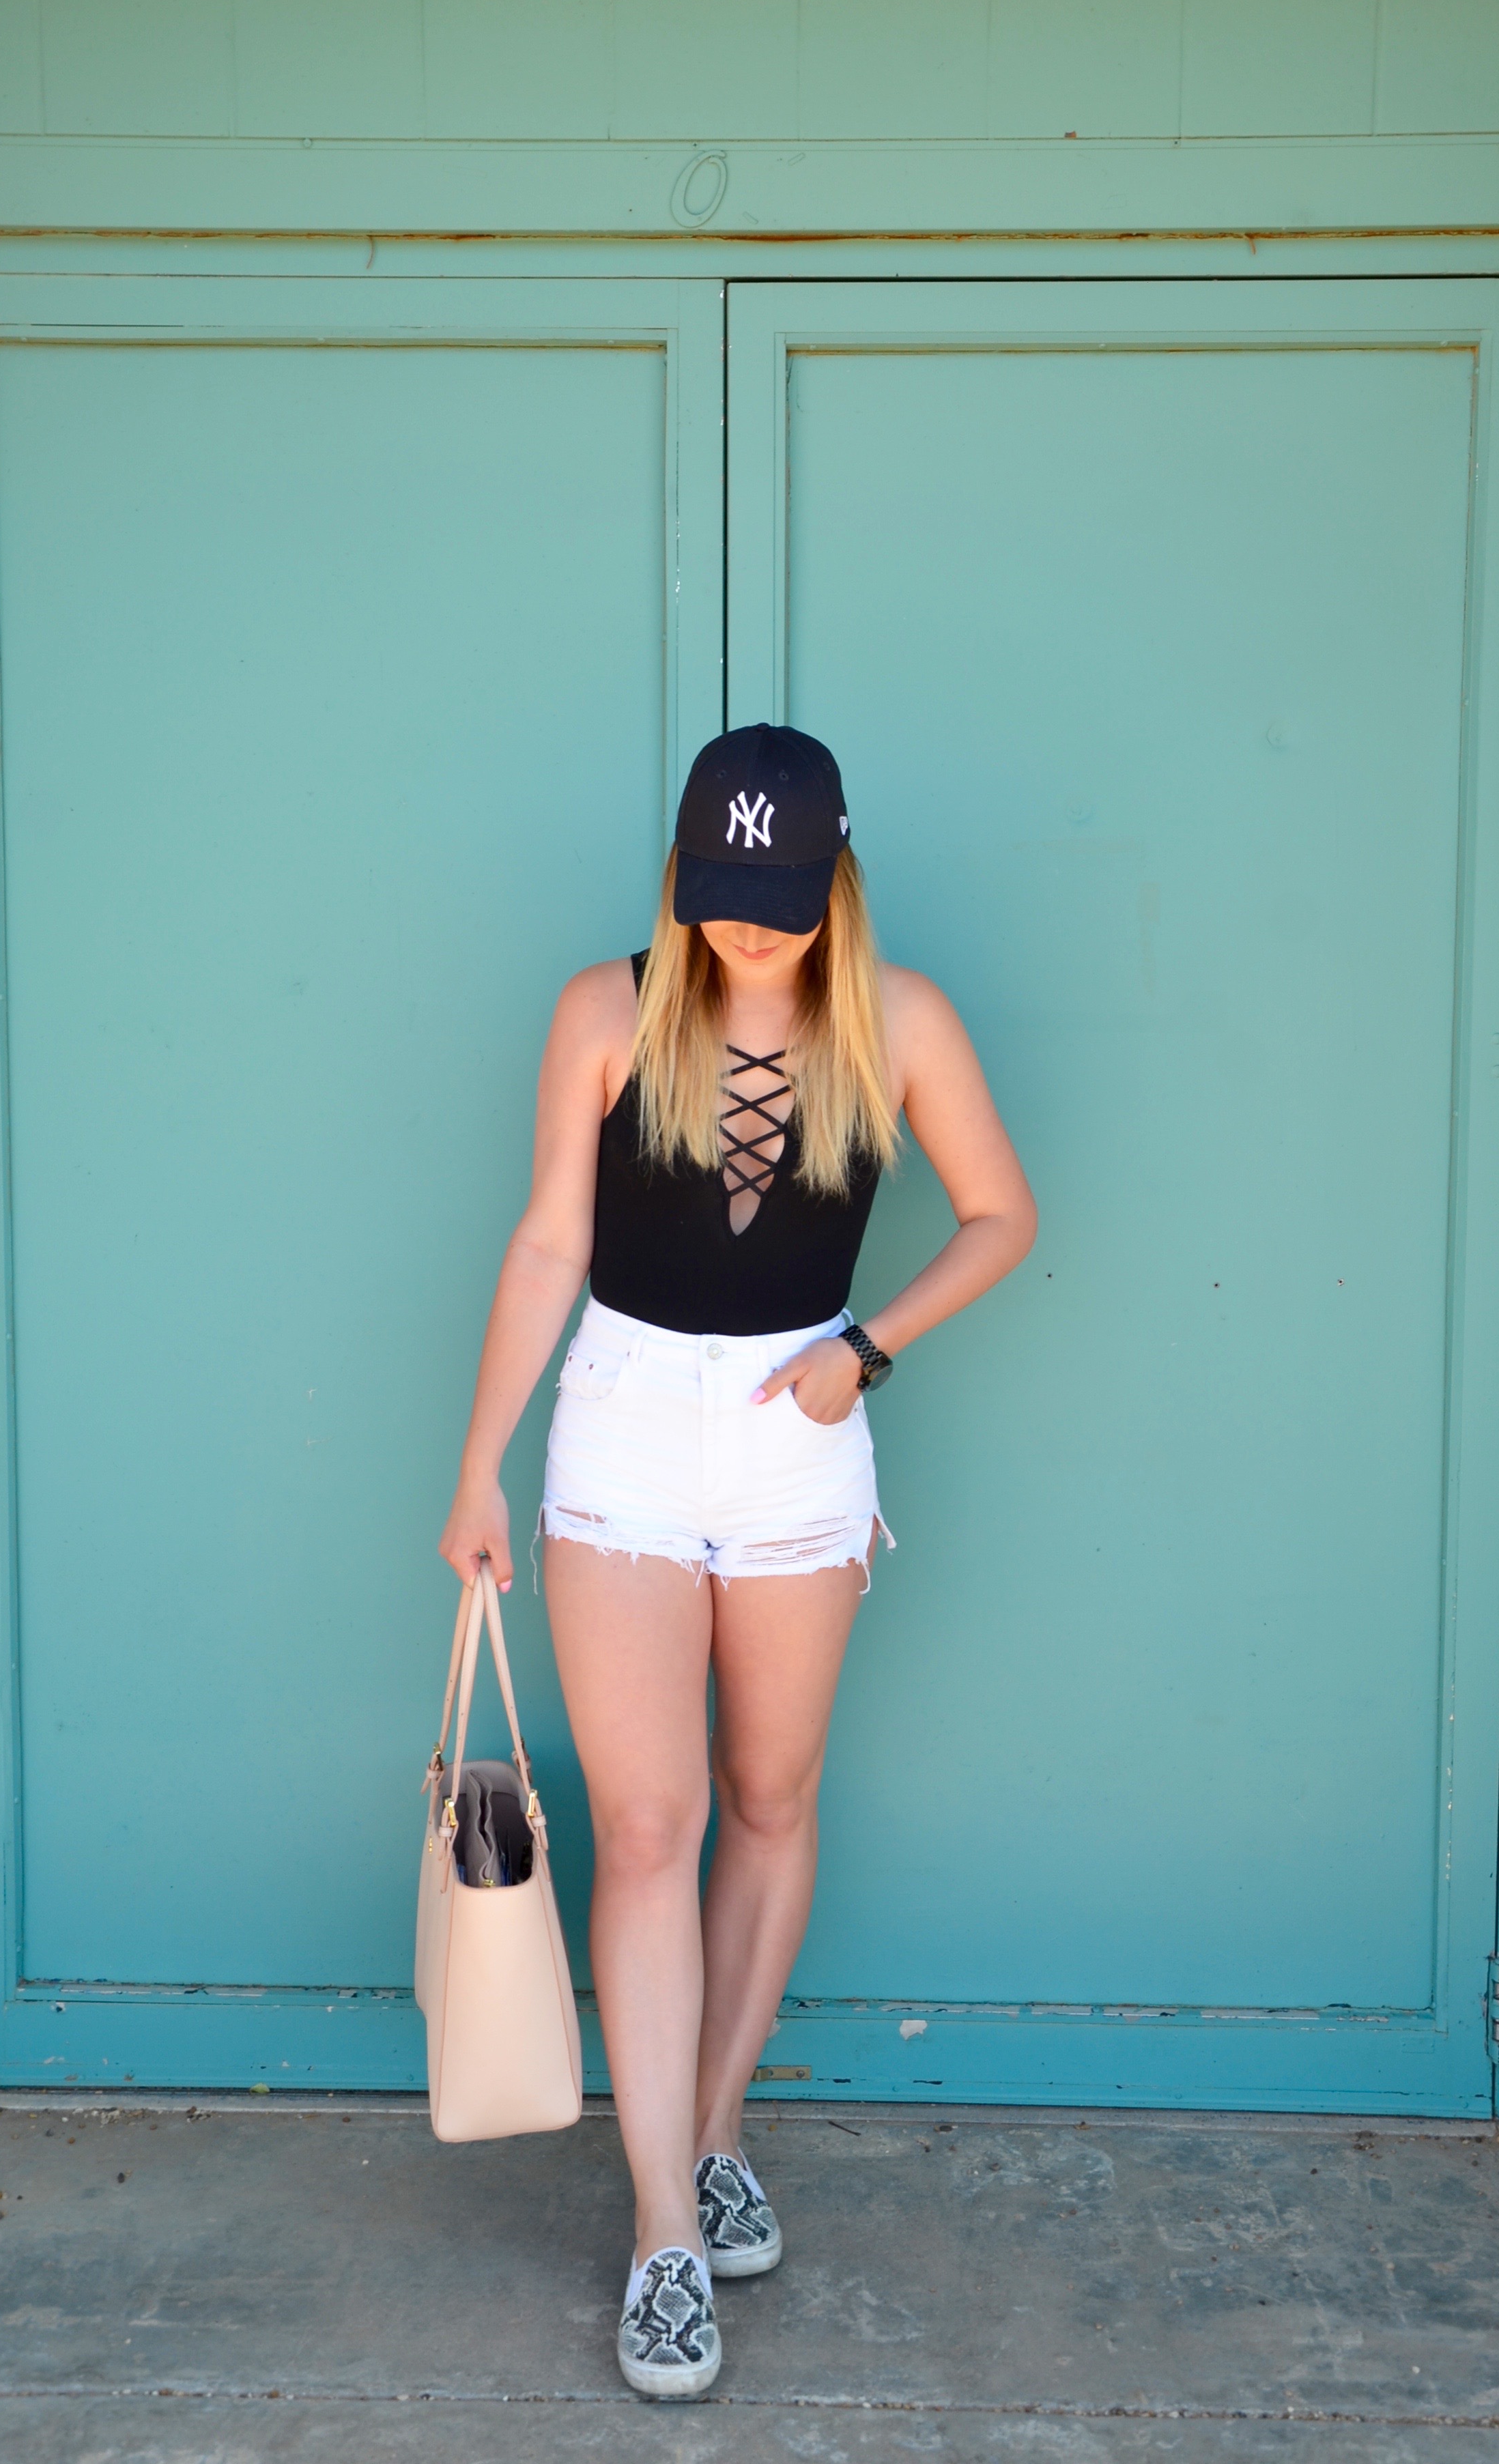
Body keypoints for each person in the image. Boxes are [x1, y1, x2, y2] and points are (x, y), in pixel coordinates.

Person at [440, 724, 1036, 2399]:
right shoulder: (606, 1008)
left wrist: (873, 1345)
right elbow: (555, 1232)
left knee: (770, 1801)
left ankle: (709, 2135)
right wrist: (480, 1459)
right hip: (623, 1421)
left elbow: (1005, 1213)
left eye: (774, 900)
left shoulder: (899, 1020)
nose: (743, 930)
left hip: (798, 1424)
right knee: (648, 1827)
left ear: (831, 873)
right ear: (684, 874)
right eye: (718, 896)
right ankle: (663, 2239)